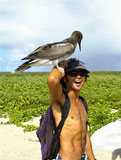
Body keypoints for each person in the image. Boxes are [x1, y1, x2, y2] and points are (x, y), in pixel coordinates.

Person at [47, 58, 96, 160]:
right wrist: (63, 64)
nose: (78, 76)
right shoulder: (60, 101)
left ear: (85, 78)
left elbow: (84, 134)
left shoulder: (83, 103)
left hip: (83, 157)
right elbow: (52, 79)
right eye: (73, 73)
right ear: (65, 78)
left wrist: (92, 158)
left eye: (82, 74)